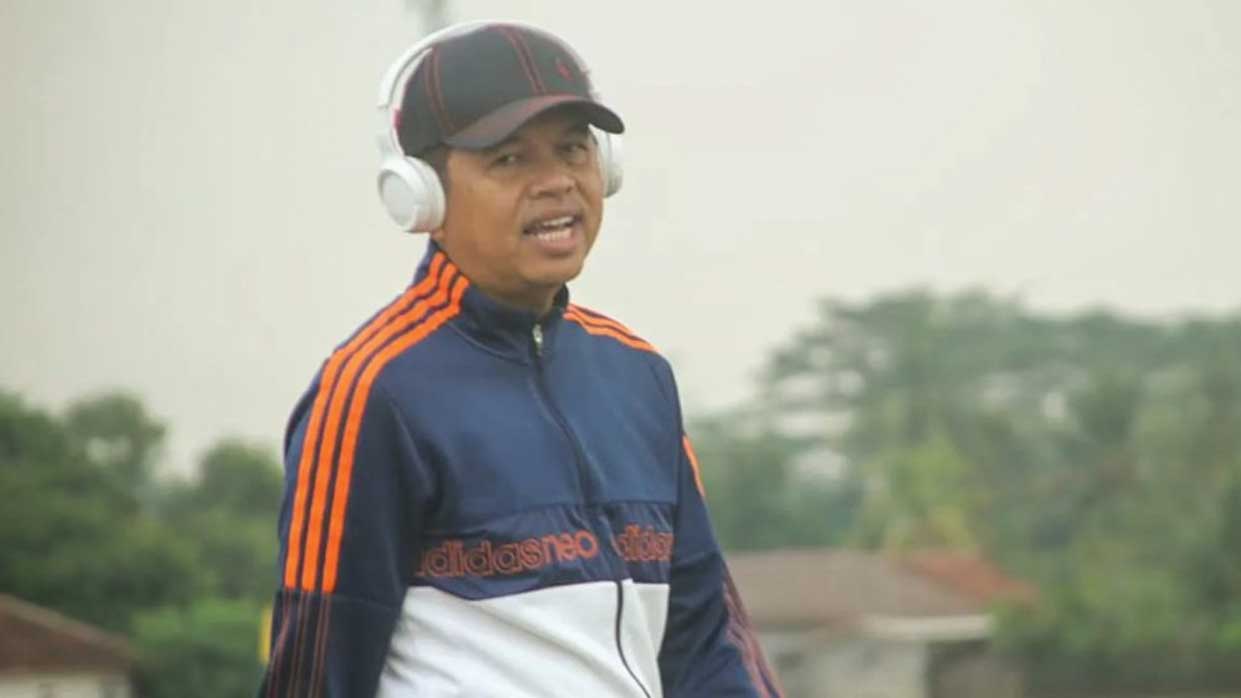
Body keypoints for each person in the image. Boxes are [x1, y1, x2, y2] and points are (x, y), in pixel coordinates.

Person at [260, 20, 783, 698]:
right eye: (509, 159)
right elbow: (314, 675)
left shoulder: (639, 376)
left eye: (573, 149)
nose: (556, 182)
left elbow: (705, 640)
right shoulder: (374, 391)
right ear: (421, 193)